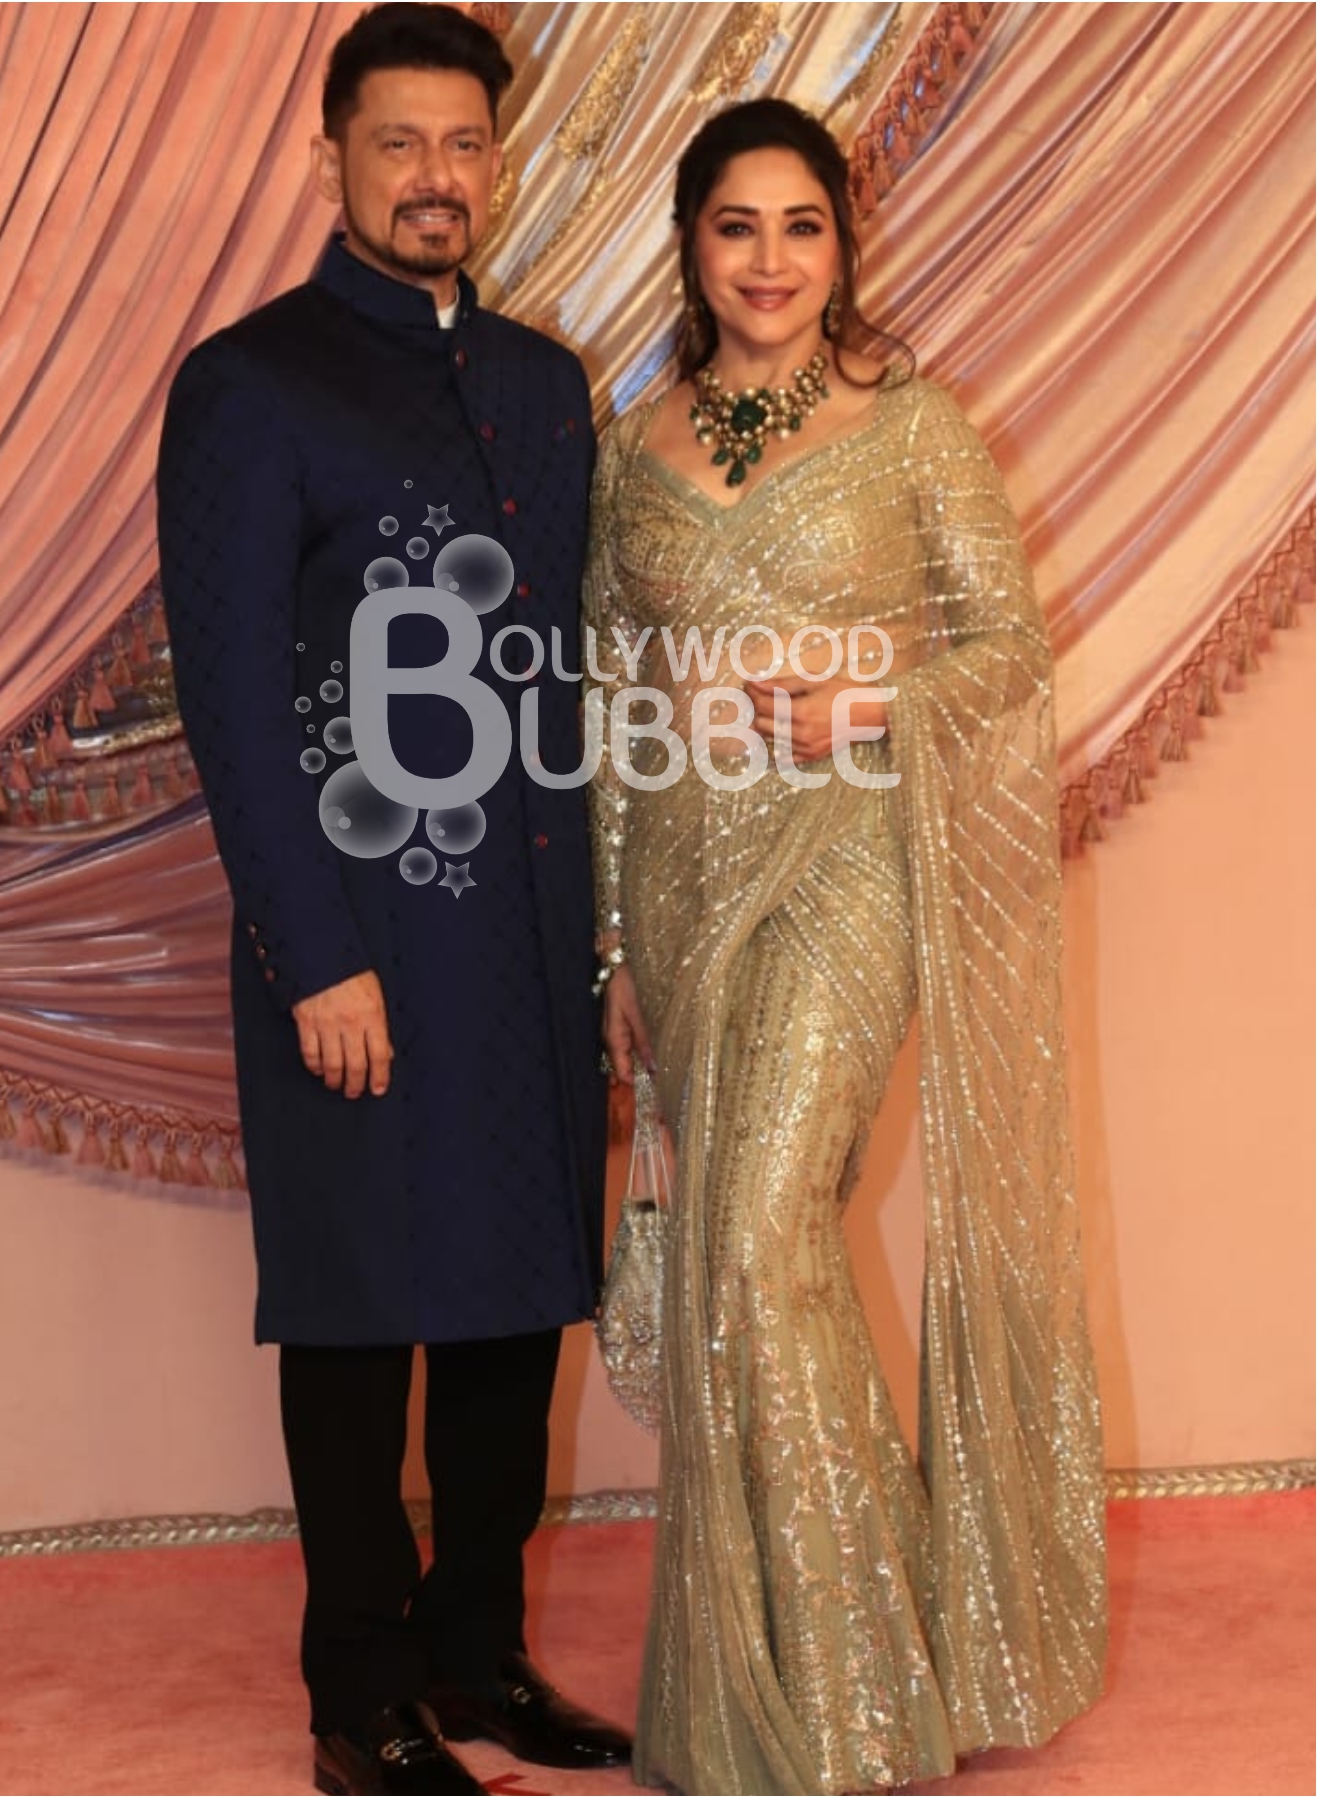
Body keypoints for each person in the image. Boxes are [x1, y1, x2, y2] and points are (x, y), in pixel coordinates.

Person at [586, 98, 1109, 1795]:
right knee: (753, 1272)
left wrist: (864, 700)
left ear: (842, 243)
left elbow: (1008, 654)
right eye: (737, 227)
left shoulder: (918, 426)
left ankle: (853, 1704)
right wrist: (608, 949)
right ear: (691, 244)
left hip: (848, 868)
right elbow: (609, 709)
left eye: (801, 227)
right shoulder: (634, 445)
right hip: (678, 887)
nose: (769, 262)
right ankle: (775, 1691)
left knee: (757, 1240)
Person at [157, 8, 627, 1794]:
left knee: (514, 1303)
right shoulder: (250, 382)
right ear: (333, 153)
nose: (436, 177)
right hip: (353, 941)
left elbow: (563, 675)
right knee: (360, 1315)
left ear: (493, 161)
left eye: (464, 147)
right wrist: (315, 953)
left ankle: (480, 1654)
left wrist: (598, 943)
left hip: (520, 947)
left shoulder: (535, 383)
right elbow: (228, 700)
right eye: (398, 143)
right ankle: (360, 1690)